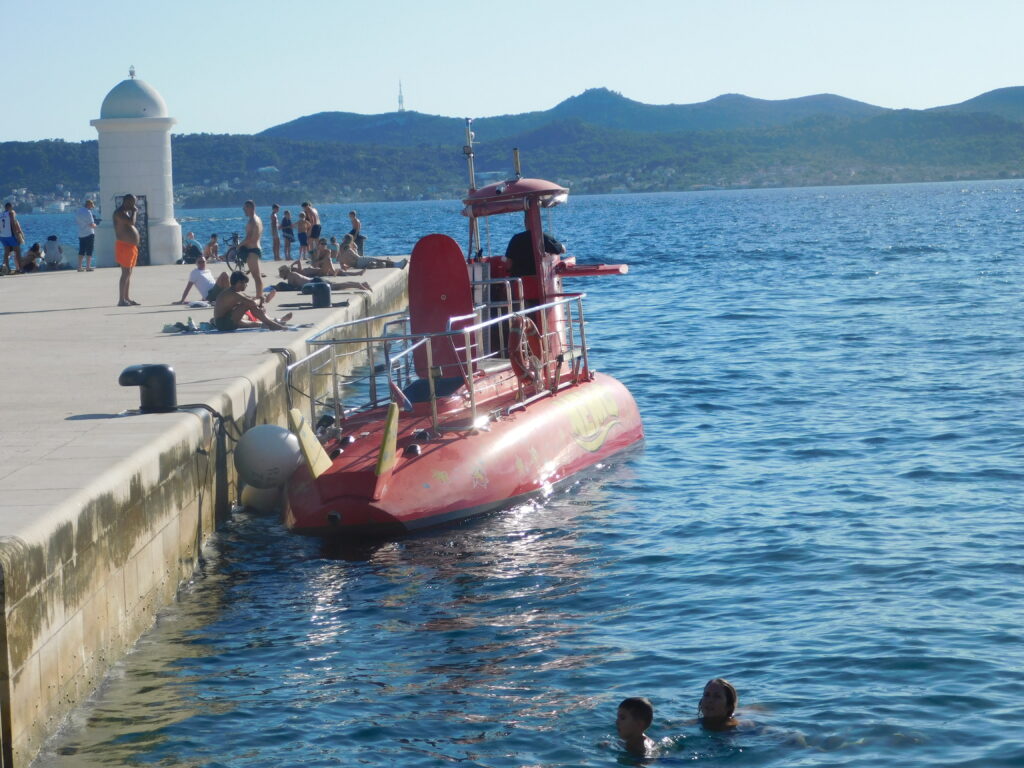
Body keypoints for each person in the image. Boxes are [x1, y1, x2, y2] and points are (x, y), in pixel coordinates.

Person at [212, 271, 292, 331]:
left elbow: (250, 298)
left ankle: (273, 323)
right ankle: (272, 324)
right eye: (245, 283)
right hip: (223, 323)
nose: (246, 285)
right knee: (247, 304)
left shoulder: (234, 291)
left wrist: (260, 300)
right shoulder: (233, 294)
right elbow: (252, 303)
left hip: (227, 321)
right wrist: (260, 301)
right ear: (240, 283)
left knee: (255, 324)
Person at [113, 193, 140, 306]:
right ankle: (121, 300)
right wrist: (134, 212)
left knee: (129, 272)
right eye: (132, 202)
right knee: (125, 273)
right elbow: (131, 222)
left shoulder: (125, 212)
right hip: (124, 246)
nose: (133, 205)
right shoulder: (119, 213)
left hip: (131, 247)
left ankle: (126, 298)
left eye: (134, 202)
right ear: (126, 201)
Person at [277, 264, 371, 292]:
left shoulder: (291, 276)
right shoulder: (293, 274)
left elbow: (290, 288)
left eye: (280, 273)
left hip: (315, 283)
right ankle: (362, 284)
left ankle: (358, 285)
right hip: (315, 280)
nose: (280, 276)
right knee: (337, 285)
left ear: (284, 272)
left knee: (338, 286)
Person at [239, 199, 265, 299]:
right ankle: (260, 295)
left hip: (252, 250)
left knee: (256, 275)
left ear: (250, 208)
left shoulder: (252, 220)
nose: (243, 210)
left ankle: (259, 296)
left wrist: (239, 245)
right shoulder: (258, 219)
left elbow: (249, 238)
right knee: (256, 275)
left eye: (245, 208)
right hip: (256, 248)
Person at [337, 234, 406, 270]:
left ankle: (396, 265)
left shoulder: (340, 251)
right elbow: (357, 257)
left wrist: (350, 265)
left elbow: (342, 265)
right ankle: (398, 264)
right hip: (360, 261)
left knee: (380, 263)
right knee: (378, 260)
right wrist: (355, 249)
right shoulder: (348, 249)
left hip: (356, 265)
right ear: (350, 241)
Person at [1, 202, 24, 273]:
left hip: (2, 236)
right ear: (10, 207)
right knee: (17, 252)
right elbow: (13, 223)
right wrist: (16, 235)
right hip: (10, 235)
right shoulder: (11, 213)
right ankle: (20, 269)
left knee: (6, 252)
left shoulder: (1, 214)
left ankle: (7, 269)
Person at [75, 199, 97, 271]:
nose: (92, 208)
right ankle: (88, 266)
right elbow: (91, 224)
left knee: (81, 250)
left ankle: (79, 267)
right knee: (89, 250)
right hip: (89, 233)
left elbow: (77, 222)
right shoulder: (88, 212)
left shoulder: (79, 211)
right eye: (91, 206)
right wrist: (95, 225)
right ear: (89, 205)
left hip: (81, 233)